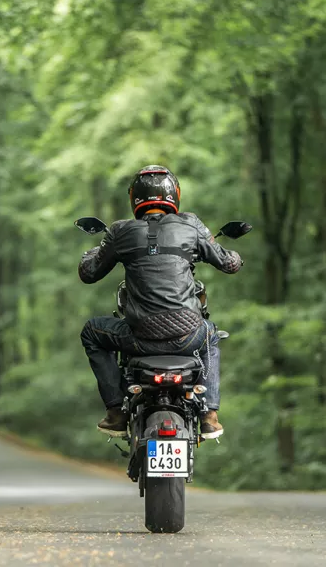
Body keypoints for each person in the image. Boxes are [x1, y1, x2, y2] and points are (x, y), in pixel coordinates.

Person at [78, 165, 243, 439]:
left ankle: (116, 412)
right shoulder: (191, 224)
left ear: (134, 198)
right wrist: (235, 255)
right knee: (211, 336)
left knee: (91, 332)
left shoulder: (120, 231)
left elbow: (89, 273)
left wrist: (97, 250)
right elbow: (229, 264)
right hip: (188, 335)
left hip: (138, 338)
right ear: (174, 195)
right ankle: (210, 415)